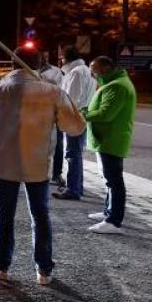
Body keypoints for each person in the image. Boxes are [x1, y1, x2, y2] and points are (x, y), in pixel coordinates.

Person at [0, 48, 86, 285]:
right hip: (38, 164)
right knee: (40, 215)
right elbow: (74, 127)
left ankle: (1, 265)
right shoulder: (52, 92)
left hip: (5, 163)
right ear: (41, 63)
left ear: (13, 62)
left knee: (4, 214)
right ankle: (44, 270)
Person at [85, 56, 137, 234]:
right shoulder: (117, 82)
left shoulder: (117, 86)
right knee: (109, 180)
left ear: (106, 69)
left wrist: (84, 114)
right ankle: (109, 211)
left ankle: (113, 221)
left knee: (113, 181)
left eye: (95, 71)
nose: (93, 75)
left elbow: (106, 114)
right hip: (107, 139)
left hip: (111, 139)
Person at [53, 45, 97, 201]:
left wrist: (59, 113)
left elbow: (70, 99)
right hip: (82, 116)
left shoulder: (76, 73)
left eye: (62, 58)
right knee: (76, 153)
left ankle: (73, 189)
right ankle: (77, 186)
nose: (61, 60)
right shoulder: (85, 70)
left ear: (67, 58)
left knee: (73, 154)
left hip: (75, 117)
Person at [39, 53, 67, 187]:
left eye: (43, 57)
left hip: (53, 113)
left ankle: (56, 174)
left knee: (58, 145)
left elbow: (61, 91)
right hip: (34, 115)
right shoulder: (27, 70)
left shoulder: (56, 72)